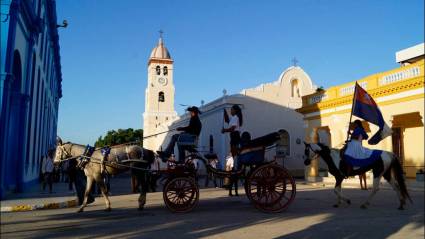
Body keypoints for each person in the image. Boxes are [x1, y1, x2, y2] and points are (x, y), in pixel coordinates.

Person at [222, 105, 243, 196]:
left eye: (231, 109)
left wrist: (224, 130)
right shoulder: (234, 117)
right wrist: (224, 112)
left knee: (233, 156)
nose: (231, 111)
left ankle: (233, 167)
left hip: (234, 136)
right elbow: (227, 120)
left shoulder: (235, 117)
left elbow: (232, 128)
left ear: (235, 110)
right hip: (234, 136)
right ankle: (232, 189)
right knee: (233, 156)